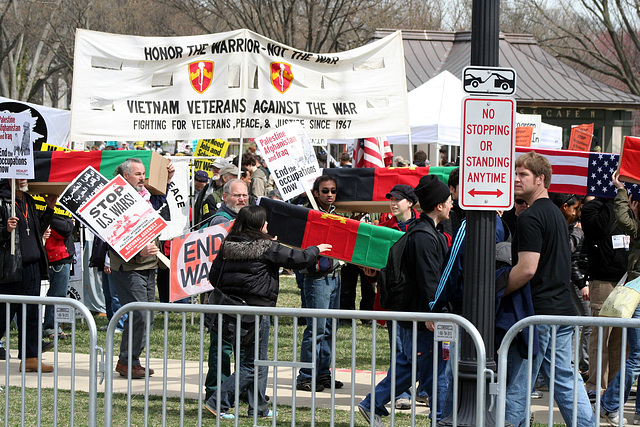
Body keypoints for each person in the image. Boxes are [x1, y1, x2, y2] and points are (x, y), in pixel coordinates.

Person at [203, 205, 331, 419]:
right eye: (264, 221)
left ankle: (258, 408)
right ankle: (219, 402)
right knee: (254, 363)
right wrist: (315, 249)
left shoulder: (227, 245)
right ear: (257, 225)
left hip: (229, 309)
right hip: (256, 311)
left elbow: (213, 278)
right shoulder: (267, 246)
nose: (267, 224)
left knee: (257, 360)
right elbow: (297, 259)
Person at [504, 152, 594, 426]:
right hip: (561, 311)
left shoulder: (530, 218)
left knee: (519, 382)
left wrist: (497, 289)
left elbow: (527, 268)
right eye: (516, 173)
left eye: (524, 174)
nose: (516, 179)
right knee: (565, 380)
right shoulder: (556, 213)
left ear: (541, 179)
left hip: (540, 315)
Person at [358, 175, 452, 426]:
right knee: (436, 371)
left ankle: (372, 403)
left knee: (410, 366)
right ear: (439, 206)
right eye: (450, 200)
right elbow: (430, 280)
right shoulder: (423, 236)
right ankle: (440, 419)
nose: (453, 204)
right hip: (422, 316)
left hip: (418, 316)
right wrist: (436, 313)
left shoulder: (428, 232)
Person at [110, 158, 175, 379]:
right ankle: (128, 361)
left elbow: (159, 200)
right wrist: (138, 252)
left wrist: (167, 179)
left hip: (149, 265)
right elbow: (114, 236)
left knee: (146, 316)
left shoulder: (144, 197)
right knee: (138, 314)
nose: (142, 178)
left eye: (144, 173)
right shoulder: (117, 200)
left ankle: (130, 360)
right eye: (138, 174)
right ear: (125, 175)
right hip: (129, 268)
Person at [0, 179, 56, 372]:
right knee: (3, 315)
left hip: (32, 267)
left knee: (31, 315)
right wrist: (5, 230)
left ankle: (30, 358)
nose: (24, 179)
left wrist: (49, 210)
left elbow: (36, 229)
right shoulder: (2, 200)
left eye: (26, 174)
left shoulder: (28, 200)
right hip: (11, 268)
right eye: (19, 174)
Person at [599, 171, 640, 425]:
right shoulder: (637, 228)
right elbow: (624, 218)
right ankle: (610, 403)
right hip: (638, 294)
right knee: (637, 357)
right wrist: (621, 190)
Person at [296, 175, 343, 392]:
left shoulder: (337, 215)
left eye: (333, 190)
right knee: (316, 329)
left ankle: (323, 373)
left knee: (330, 329)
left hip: (335, 277)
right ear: (316, 193)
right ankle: (306, 375)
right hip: (316, 279)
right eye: (325, 191)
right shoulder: (309, 215)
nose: (330, 194)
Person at [581, 196, 626, 402]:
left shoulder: (626, 206)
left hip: (627, 282)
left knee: (620, 340)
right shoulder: (592, 208)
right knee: (601, 338)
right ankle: (596, 386)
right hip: (603, 282)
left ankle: (614, 390)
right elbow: (600, 227)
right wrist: (611, 200)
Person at [43, 214, 76, 340]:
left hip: (61, 257)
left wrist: (69, 223)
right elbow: (65, 230)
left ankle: (54, 327)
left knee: (58, 294)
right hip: (58, 257)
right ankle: (51, 327)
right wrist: (69, 223)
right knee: (57, 294)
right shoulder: (51, 215)